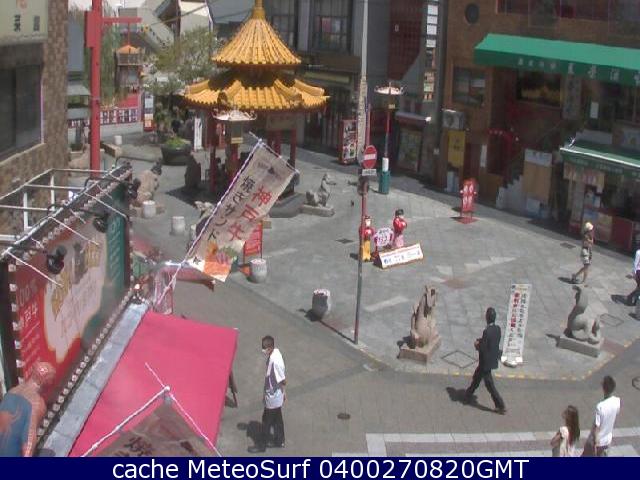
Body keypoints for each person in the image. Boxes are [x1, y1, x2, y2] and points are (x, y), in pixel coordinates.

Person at [0, 362, 56, 456]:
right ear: (45, 384)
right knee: (50, 454)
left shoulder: (12, 391)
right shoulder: (37, 404)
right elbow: (29, 444)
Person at [464, 307, 506, 415]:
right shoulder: (498, 329)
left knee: (489, 385)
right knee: (477, 378)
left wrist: (477, 344)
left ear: (487, 318)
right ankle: (468, 394)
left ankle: (500, 405)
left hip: (485, 362)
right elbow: (491, 342)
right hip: (491, 360)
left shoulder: (486, 331)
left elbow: (483, 347)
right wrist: (482, 340)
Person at [260, 335, 286, 449]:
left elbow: (283, 380)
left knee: (267, 421)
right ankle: (280, 441)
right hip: (275, 397)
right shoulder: (275, 353)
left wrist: (283, 391)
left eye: (264, 348)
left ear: (270, 348)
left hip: (273, 397)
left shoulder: (276, 362)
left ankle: (262, 445)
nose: (263, 350)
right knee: (277, 420)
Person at [585, 375, 621, 457]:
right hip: (608, 440)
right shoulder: (617, 401)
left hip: (597, 442)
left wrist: (595, 443)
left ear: (603, 388)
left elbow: (597, 427)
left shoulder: (600, 406)